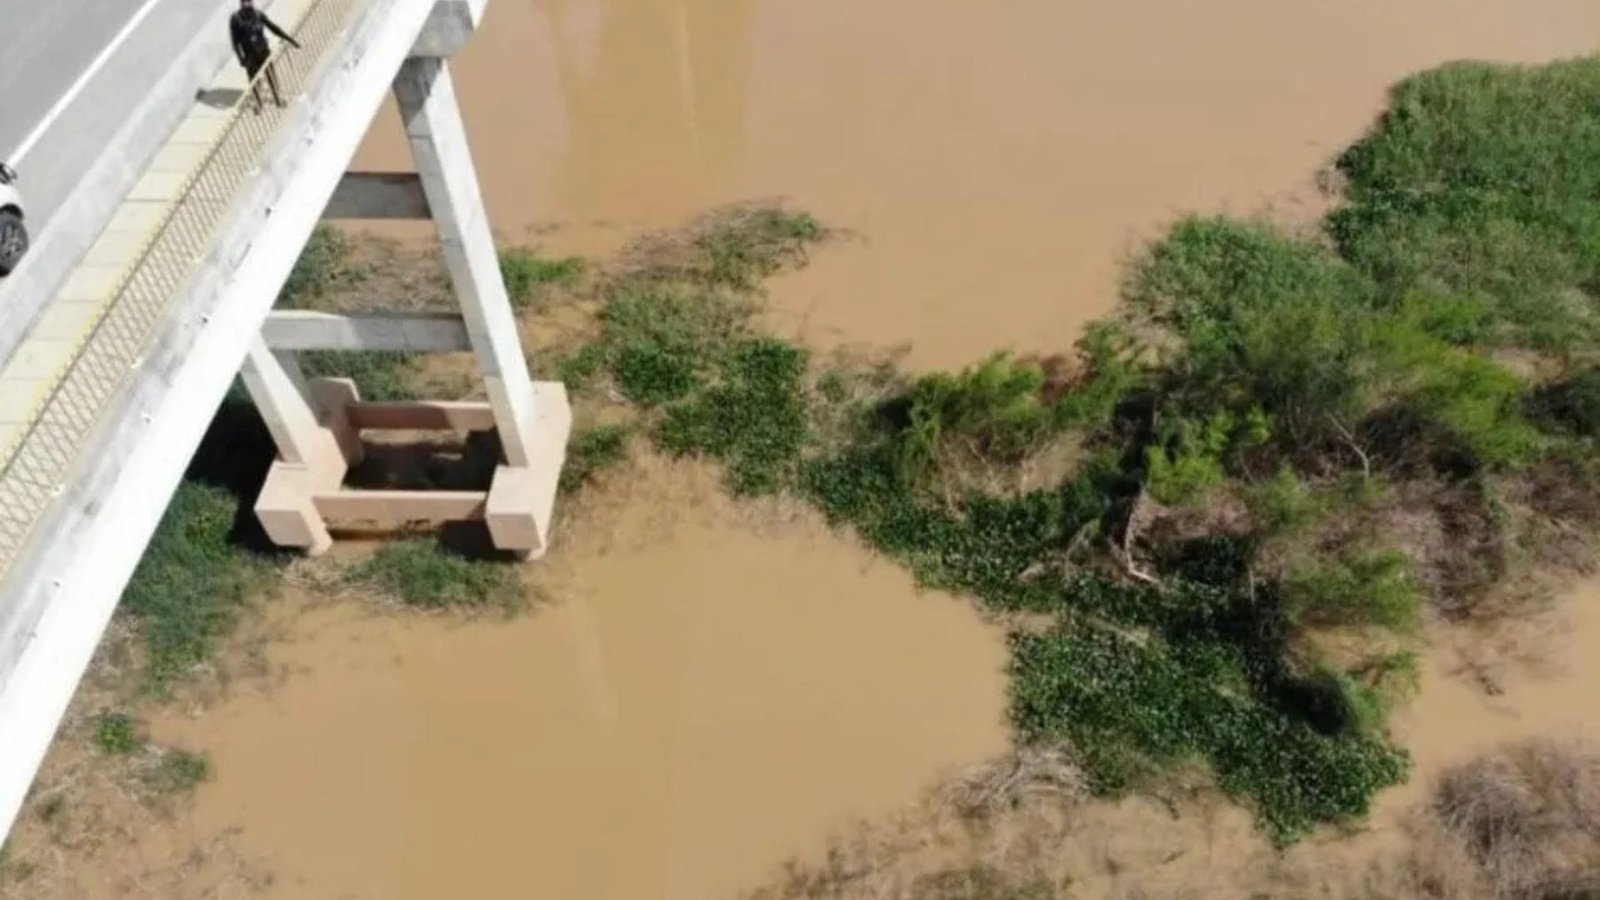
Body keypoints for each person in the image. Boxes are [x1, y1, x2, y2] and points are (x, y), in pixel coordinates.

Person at [230, 0, 300, 111]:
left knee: (271, 75)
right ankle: (258, 103)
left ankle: (277, 99)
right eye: (245, 2)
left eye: (249, 2)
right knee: (254, 81)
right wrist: (241, 59)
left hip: (263, 51)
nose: (248, 4)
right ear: (241, 3)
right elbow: (235, 42)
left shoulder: (258, 14)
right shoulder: (236, 19)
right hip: (250, 55)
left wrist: (290, 39)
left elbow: (274, 28)